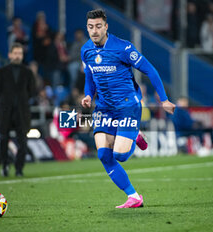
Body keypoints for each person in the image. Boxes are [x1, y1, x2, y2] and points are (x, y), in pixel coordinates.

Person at [80, 9, 175, 208]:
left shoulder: (123, 47)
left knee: (120, 155)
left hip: (127, 105)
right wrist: (88, 94)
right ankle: (133, 196)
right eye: (90, 27)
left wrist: (164, 99)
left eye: (98, 26)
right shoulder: (85, 50)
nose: (94, 31)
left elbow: (151, 70)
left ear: (106, 27)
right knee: (103, 155)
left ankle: (135, 134)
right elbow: (90, 78)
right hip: (104, 108)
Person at [0, 43, 35, 177]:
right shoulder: (1, 72)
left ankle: (19, 169)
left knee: (23, 143)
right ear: (10, 55)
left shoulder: (28, 72)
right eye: (15, 53)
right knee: (3, 140)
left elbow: (32, 91)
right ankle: (5, 165)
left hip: (22, 113)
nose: (18, 56)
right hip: (5, 111)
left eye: (20, 53)